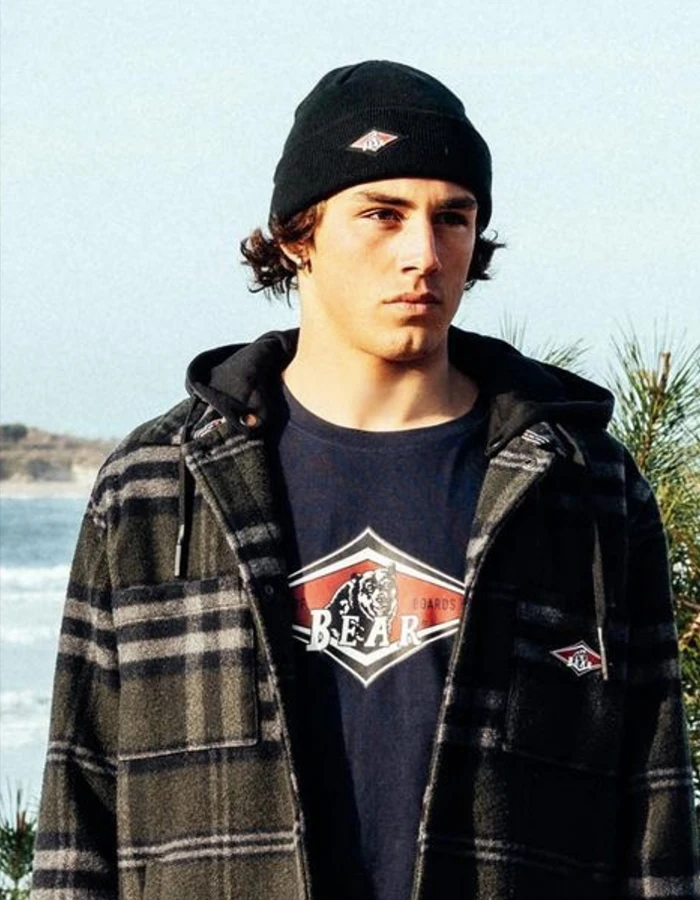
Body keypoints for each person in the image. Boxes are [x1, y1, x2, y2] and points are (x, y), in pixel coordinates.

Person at [31, 61, 698, 900]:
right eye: (382, 215)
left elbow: (654, 820)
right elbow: (79, 814)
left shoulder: (581, 487)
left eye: (452, 218)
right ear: (297, 236)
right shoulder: (156, 487)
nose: (424, 254)